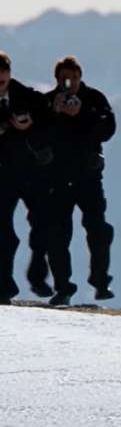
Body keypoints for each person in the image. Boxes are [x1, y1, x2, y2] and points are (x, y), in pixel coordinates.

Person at [45, 56, 117, 306]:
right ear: (57, 79)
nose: (71, 83)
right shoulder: (47, 102)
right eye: (66, 78)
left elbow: (108, 129)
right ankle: (63, 288)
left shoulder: (94, 99)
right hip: (57, 179)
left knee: (99, 231)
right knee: (57, 235)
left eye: (75, 77)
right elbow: (39, 135)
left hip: (88, 178)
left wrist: (82, 113)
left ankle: (100, 281)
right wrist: (54, 113)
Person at [0, 50, 55, 305]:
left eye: (3, 76)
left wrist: (30, 126)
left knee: (43, 225)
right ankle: (3, 287)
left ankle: (37, 275)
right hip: (3, 175)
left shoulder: (30, 98)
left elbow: (50, 125)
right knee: (3, 233)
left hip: (32, 172)